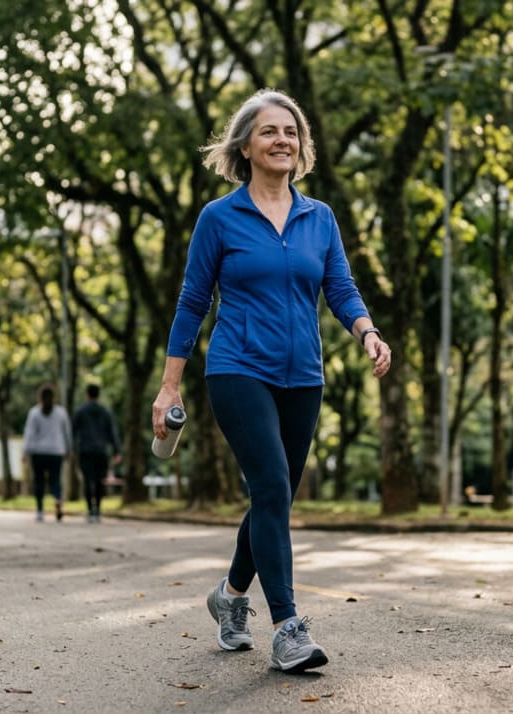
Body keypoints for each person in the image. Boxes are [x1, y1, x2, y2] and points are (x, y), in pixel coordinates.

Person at [151, 89, 391, 673]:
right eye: (268, 132)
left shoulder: (320, 217)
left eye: (291, 132)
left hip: (304, 375)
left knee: (271, 494)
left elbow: (339, 287)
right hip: (237, 369)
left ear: (301, 146)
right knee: (274, 490)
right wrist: (170, 384)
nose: (282, 140)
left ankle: (230, 598)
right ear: (245, 146)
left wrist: (365, 331)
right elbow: (191, 301)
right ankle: (288, 626)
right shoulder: (219, 217)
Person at [22, 385, 72, 522]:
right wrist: (68, 449)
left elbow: (29, 434)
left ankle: (40, 510)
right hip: (56, 451)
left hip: (38, 452)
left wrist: (24, 452)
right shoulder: (61, 413)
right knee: (55, 480)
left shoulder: (34, 413)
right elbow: (67, 433)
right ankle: (57, 499)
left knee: (39, 481)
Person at [72, 384, 122, 523]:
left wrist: (72, 448)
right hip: (101, 451)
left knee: (88, 480)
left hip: (85, 450)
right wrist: (116, 450)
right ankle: (98, 510)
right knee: (100, 481)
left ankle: (90, 510)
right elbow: (112, 432)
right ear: (98, 395)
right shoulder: (105, 411)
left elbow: (73, 430)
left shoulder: (81, 411)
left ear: (87, 395)